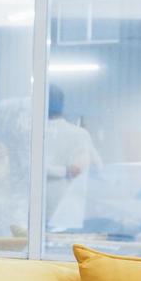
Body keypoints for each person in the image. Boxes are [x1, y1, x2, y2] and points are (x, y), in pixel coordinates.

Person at [44, 85, 101, 231]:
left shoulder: (33, 132)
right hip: (69, 210)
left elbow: (30, 167)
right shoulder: (80, 133)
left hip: (43, 208)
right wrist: (67, 170)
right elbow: (98, 166)